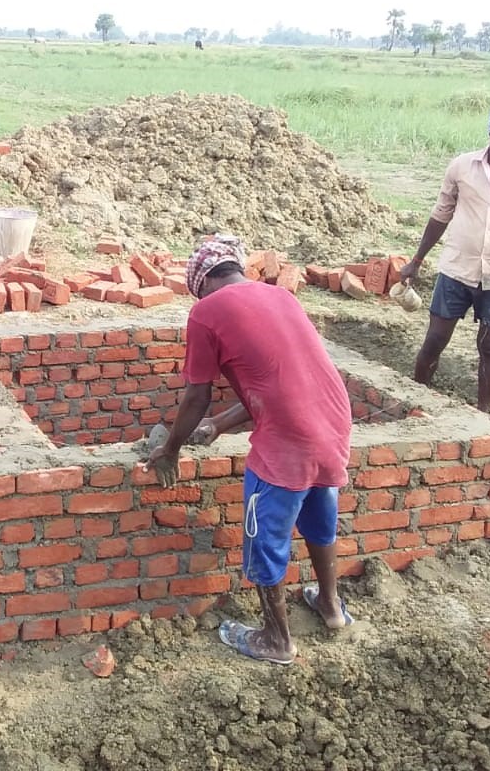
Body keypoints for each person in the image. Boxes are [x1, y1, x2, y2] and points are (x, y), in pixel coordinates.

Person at [145, 236, 353, 664]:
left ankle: (277, 639)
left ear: (201, 283)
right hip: (332, 424)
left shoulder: (205, 312)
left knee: (265, 535)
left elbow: (197, 395)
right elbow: (276, 382)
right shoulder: (280, 297)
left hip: (288, 439)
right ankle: (332, 608)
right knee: (318, 512)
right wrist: (220, 425)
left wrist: (170, 450)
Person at [397, 99, 490, 412]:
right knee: (435, 339)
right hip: (456, 269)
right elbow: (441, 214)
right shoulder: (463, 166)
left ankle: (483, 415)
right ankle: (415, 401)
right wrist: (417, 260)